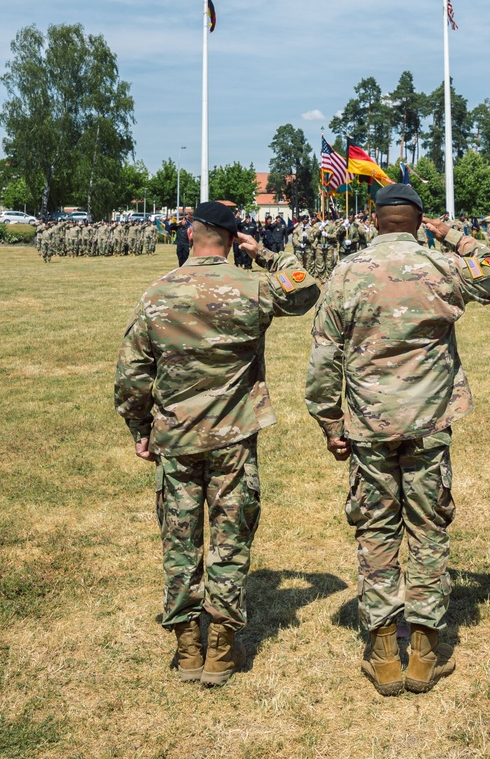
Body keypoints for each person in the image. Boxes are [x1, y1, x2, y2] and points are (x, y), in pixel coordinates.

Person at [305, 184, 490, 696]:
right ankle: (422, 653)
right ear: (419, 222)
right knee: (427, 530)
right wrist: (457, 238)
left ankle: (382, 653)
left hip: (368, 424)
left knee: (376, 532)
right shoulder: (442, 266)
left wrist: (331, 423)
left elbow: (324, 356)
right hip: (427, 423)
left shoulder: (348, 270)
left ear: (375, 221)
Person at [115, 201, 319, 686]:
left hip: (177, 436)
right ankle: (222, 647)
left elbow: (132, 375)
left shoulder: (158, 292)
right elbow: (305, 290)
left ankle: (188, 646)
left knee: (179, 541)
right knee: (230, 540)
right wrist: (268, 254)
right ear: (233, 239)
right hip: (233, 438)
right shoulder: (251, 287)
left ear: (190, 233)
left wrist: (140, 428)